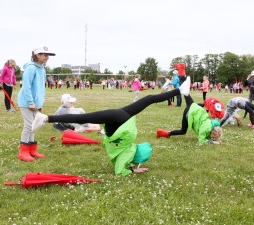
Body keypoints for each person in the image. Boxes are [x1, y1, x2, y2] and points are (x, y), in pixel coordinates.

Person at [31, 78, 191, 176]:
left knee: (85, 117)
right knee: (148, 99)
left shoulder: (128, 152)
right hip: (118, 122)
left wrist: (131, 170)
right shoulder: (128, 152)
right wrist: (133, 169)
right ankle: (180, 90)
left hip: (120, 120)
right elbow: (122, 167)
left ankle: (45, 118)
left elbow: (120, 170)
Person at [17, 46, 56, 162]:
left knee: (34, 126)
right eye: (45, 55)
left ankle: (32, 150)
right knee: (29, 126)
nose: (47, 57)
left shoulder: (42, 69)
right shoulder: (30, 68)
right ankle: (23, 152)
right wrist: (30, 102)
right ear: (37, 55)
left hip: (35, 103)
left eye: (48, 55)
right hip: (26, 102)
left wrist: (39, 103)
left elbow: (40, 88)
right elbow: (26, 87)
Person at [156, 81, 223, 145]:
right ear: (212, 132)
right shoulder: (204, 129)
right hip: (189, 113)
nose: (213, 138)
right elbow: (201, 140)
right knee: (183, 131)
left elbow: (209, 135)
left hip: (194, 107)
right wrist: (212, 142)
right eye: (213, 137)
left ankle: (183, 80)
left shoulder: (212, 124)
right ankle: (166, 133)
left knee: (185, 92)